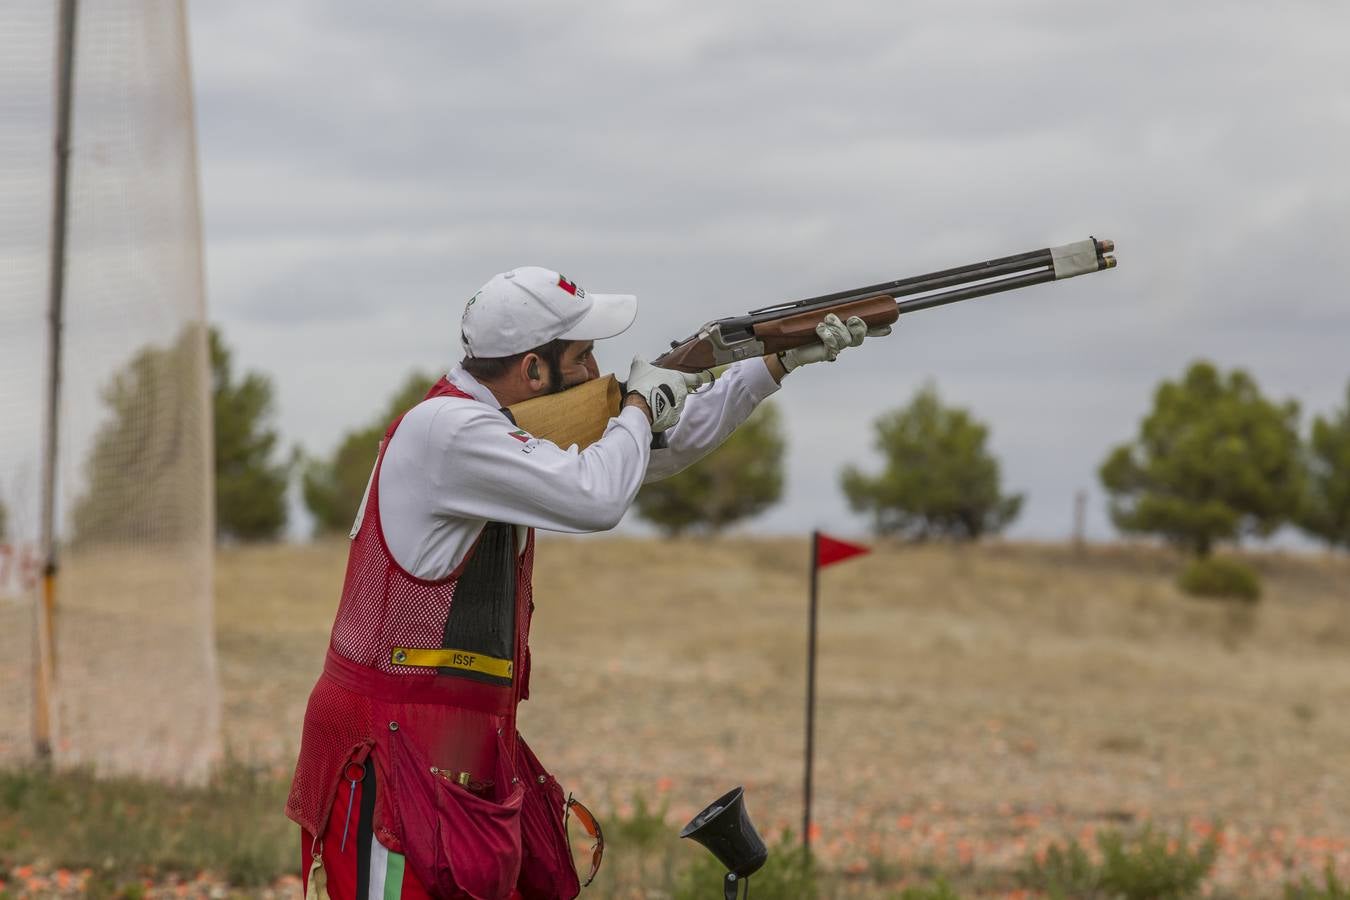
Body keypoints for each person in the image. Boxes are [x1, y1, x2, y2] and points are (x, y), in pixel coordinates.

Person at [287, 266, 883, 899]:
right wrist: (634, 404)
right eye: (582, 356)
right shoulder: (449, 432)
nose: (598, 372)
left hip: (451, 748)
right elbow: (598, 497)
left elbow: (654, 453)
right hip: (389, 753)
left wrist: (768, 368)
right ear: (533, 370)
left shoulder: (491, 428)